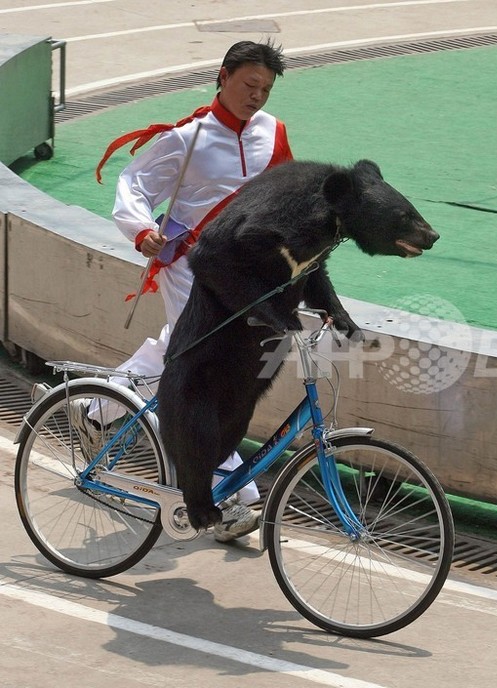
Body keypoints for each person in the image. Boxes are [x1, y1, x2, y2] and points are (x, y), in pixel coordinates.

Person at [70, 39, 294, 542]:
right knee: (207, 369)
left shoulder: (273, 133)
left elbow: (286, 198)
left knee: (181, 349)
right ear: (223, 76)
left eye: (265, 89)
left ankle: (95, 407)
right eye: (248, 85)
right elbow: (134, 183)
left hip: (245, 275)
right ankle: (236, 494)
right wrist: (141, 229)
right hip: (189, 268)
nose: (256, 97)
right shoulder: (187, 138)